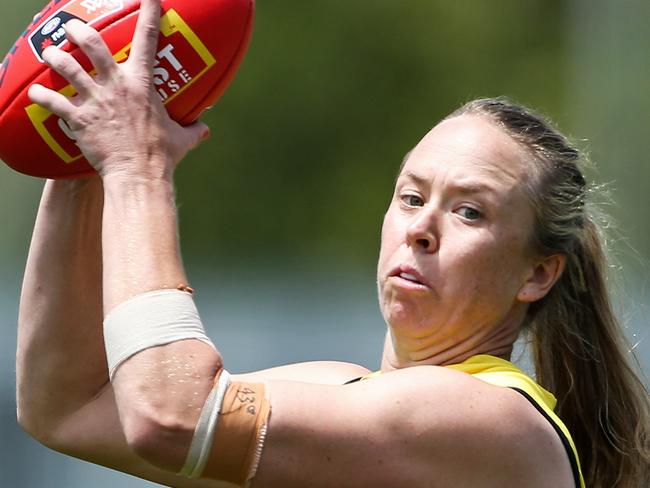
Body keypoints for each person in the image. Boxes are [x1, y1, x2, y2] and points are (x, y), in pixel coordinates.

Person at [16, 1, 649, 487]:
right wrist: (91, 123)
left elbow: (172, 416)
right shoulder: (340, 393)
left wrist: (135, 167)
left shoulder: (496, 420)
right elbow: (66, 406)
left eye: (468, 211)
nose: (422, 227)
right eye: (410, 196)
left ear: (537, 274)